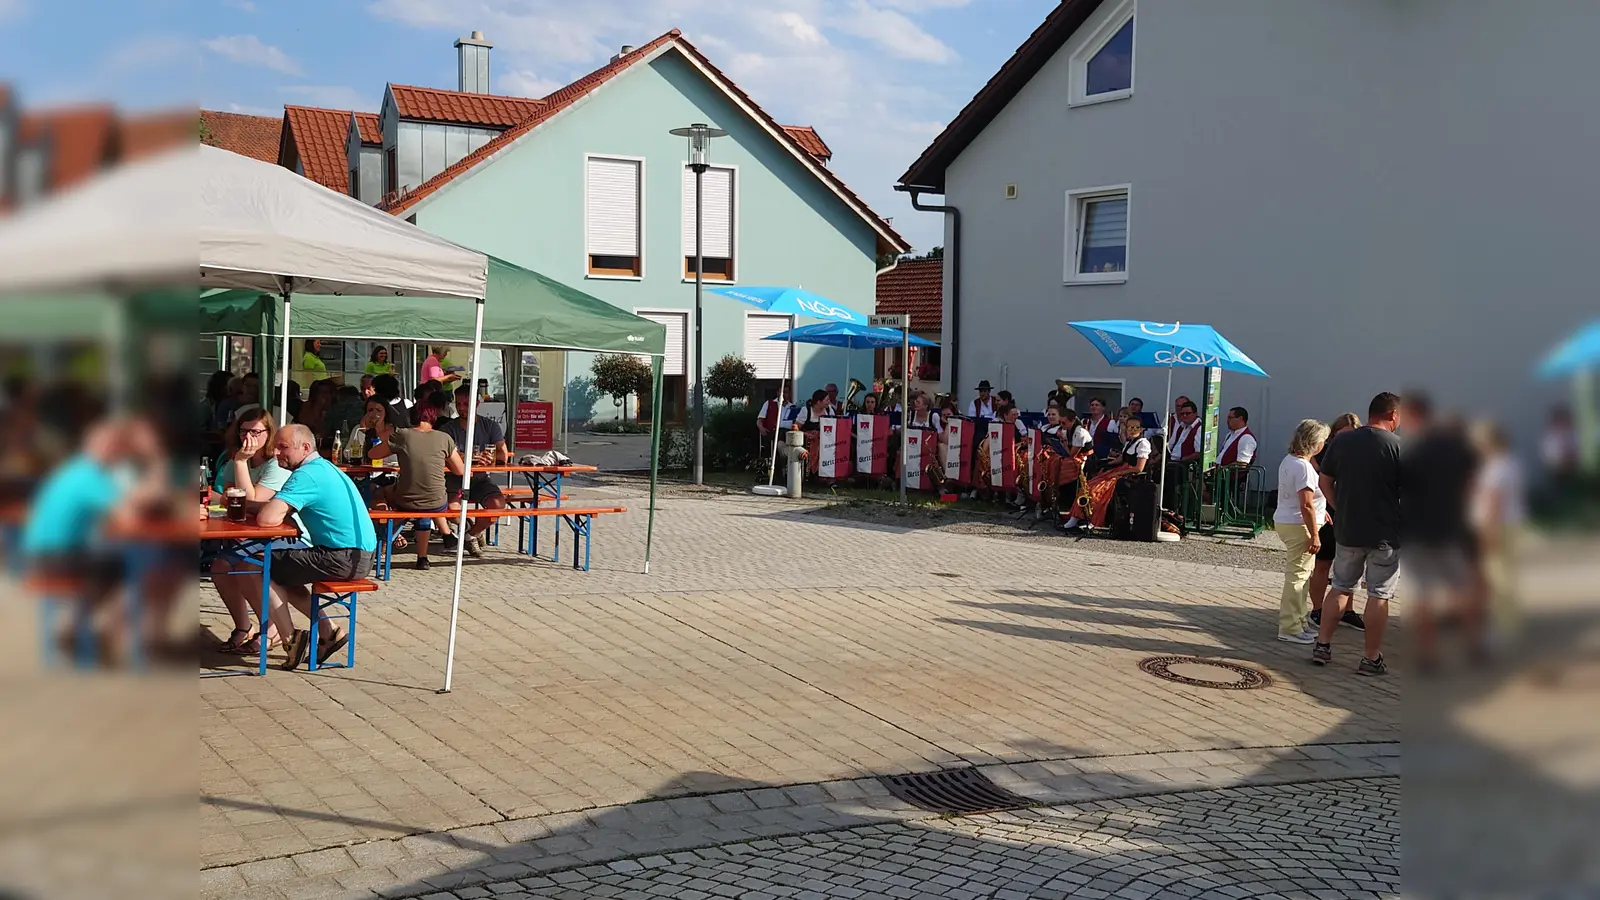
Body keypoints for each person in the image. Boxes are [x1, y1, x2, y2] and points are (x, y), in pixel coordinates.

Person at [253, 424, 377, 670]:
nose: (276, 452)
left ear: (305, 447)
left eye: (283, 447)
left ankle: (291, 640)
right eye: (276, 447)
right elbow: (273, 510)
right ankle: (328, 631)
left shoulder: (306, 475)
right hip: (361, 556)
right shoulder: (324, 468)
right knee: (287, 573)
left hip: (342, 556)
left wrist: (282, 514)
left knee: (260, 565)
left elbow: (267, 519)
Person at [1312, 392, 1404, 675]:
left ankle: (1323, 645)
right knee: (1379, 594)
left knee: (1340, 586)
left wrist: (1339, 505)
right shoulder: (1398, 447)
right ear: (1392, 415)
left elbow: (1325, 479)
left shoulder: (1342, 441)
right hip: (1385, 533)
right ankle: (1370, 657)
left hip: (1348, 528)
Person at [207, 408, 301, 655]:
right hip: (246, 531)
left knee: (245, 565)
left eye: (256, 431)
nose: (249, 437)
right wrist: (237, 472)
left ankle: (270, 629)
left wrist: (240, 463)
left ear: (269, 434)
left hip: (282, 536)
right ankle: (243, 627)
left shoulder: (275, 464)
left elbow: (249, 500)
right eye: (244, 431)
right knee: (219, 566)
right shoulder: (234, 459)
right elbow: (223, 495)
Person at [1401, 395, 1481, 671]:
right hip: (1450, 528)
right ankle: (1475, 645)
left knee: (1424, 596)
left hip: (1419, 533)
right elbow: (1471, 485)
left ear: (1414, 416)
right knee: (1462, 589)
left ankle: (1428, 655)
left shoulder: (1413, 451)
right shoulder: (1457, 447)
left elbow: (1404, 491)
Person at [369, 394, 465, 571]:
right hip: (437, 503)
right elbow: (460, 470)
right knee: (425, 506)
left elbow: (373, 455)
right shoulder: (444, 438)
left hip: (406, 500)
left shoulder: (403, 435)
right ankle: (423, 557)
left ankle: (382, 537)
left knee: (380, 490)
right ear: (433, 417)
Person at [1273, 419, 1331, 644]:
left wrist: (1321, 511)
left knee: (1303, 575)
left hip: (1290, 521)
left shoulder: (1290, 460)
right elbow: (1305, 503)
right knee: (1297, 577)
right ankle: (1289, 626)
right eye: (1322, 441)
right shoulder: (1304, 467)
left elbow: (1308, 501)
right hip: (1299, 526)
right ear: (1315, 443)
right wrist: (1315, 534)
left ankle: (1299, 621)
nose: (1323, 445)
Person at [436, 385, 509, 558]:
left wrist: (491, 459)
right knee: (451, 510)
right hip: (454, 478)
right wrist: (455, 458)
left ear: (476, 404)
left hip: (480, 479)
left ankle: (470, 535)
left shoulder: (489, 425)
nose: (461, 408)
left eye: (466, 404)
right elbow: (439, 455)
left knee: (498, 505)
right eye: (458, 404)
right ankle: (469, 527)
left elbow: (503, 453)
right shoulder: (448, 429)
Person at [1309, 412, 1364, 632]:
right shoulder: (1324, 454)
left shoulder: (1362, 455)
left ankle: (1347, 611)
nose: (1346, 440)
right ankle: (1317, 609)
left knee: (1351, 567)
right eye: (1342, 434)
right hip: (1329, 513)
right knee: (1323, 563)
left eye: (1351, 435)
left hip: (1352, 515)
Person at [1472, 421, 1524, 652]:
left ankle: (1502, 630)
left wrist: (1488, 531)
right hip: (1509, 526)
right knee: (1504, 577)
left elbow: (1494, 501)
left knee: (1497, 578)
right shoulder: (1509, 464)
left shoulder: (1496, 468)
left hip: (1497, 528)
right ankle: (1507, 626)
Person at [1075, 417, 1152, 531]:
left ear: (1141, 429)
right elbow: (1121, 459)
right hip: (1120, 470)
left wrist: (1118, 473)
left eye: (1135, 427)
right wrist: (1105, 464)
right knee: (1089, 484)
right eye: (1129, 427)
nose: (1132, 429)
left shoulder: (1143, 444)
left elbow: (1138, 468)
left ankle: (1094, 520)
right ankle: (1076, 516)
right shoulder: (1130, 442)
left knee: (1097, 489)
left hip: (1130, 475)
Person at [1084, 397, 1120, 475]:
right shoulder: (1084, 421)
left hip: (1101, 455)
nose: (1094, 407)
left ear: (1103, 408)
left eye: (1097, 405)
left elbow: (1114, 442)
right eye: (1092, 405)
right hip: (1086, 454)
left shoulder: (1110, 422)